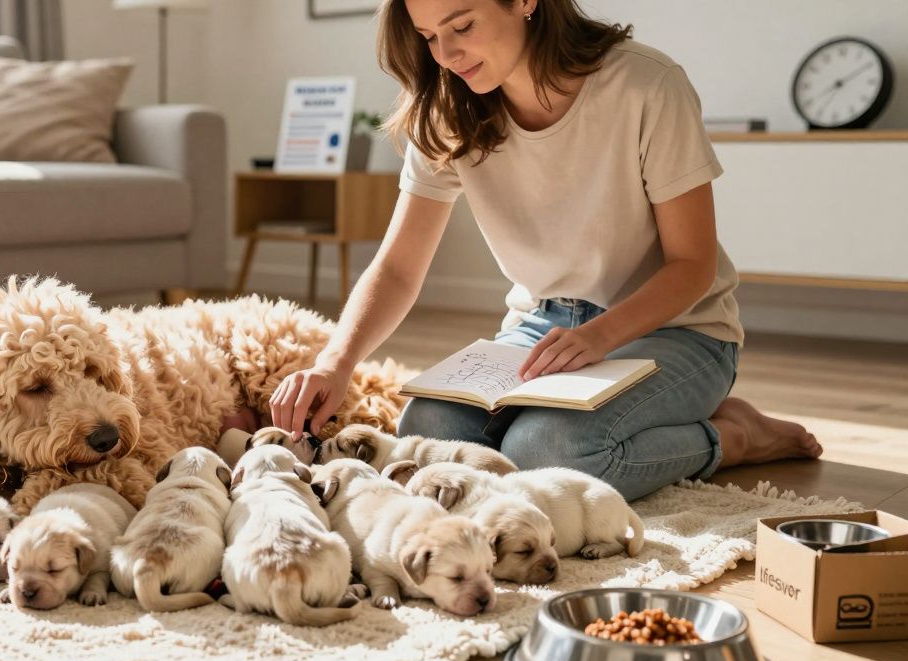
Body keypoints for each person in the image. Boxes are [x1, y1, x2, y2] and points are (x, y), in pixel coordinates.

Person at [268, 0, 821, 500]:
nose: (447, 54)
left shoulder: (646, 85)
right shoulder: (445, 110)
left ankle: (734, 436)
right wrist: (335, 363)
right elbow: (397, 267)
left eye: (462, 26)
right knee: (425, 434)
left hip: (679, 328)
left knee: (549, 454)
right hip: (545, 327)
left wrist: (598, 337)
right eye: (430, 36)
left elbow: (692, 266)